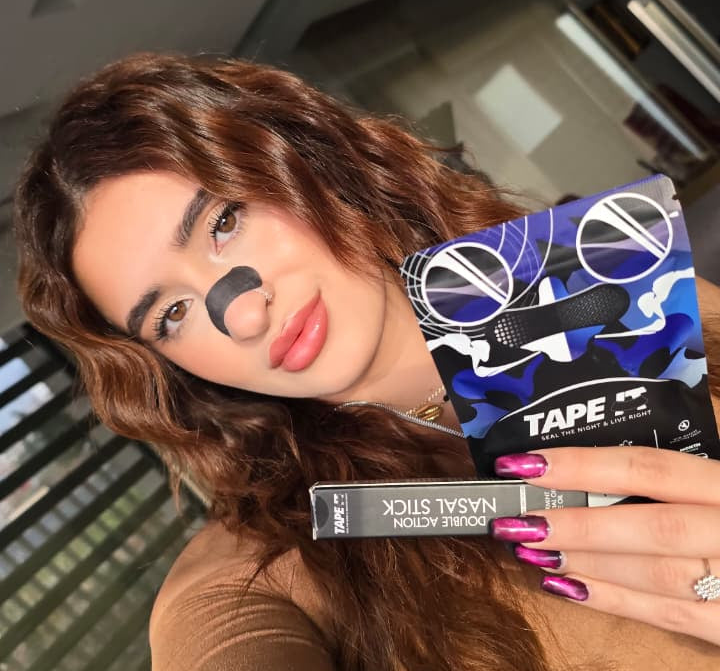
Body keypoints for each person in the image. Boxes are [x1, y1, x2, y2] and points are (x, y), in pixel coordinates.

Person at [14, 53, 720, 671]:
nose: (246, 314)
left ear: (304, 156)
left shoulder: (607, 287)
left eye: (224, 221)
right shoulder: (260, 575)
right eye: (171, 313)